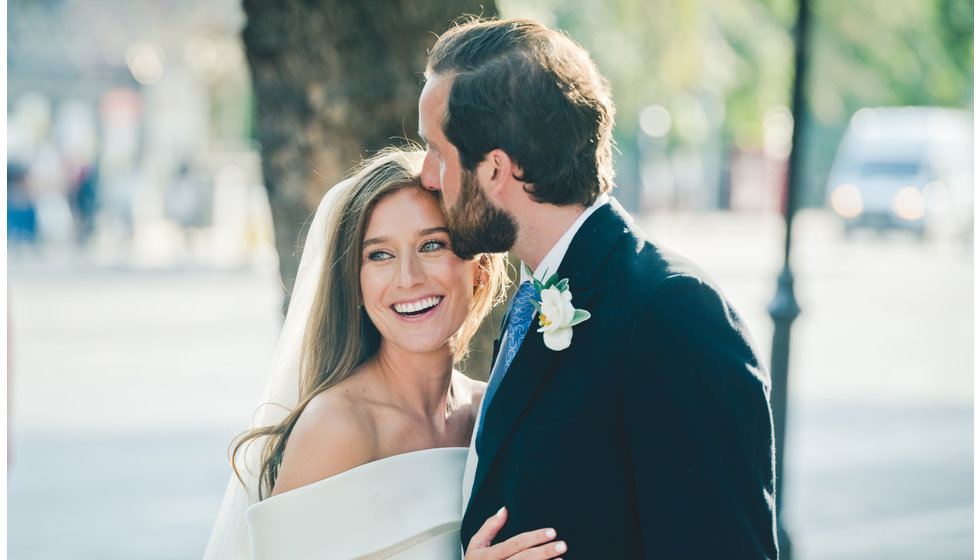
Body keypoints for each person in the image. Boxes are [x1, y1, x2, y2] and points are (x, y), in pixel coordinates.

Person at [418, 18, 779, 559]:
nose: (427, 175)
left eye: (438, 154)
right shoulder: (539, 298)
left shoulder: (673, 315)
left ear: (495, 169)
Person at [204, 150, 569, 559]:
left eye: (432, 244)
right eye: (379, 254)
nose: (408, 278)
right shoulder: (337, 427)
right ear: (356, 285)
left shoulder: (495, 414)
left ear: (479, 268)